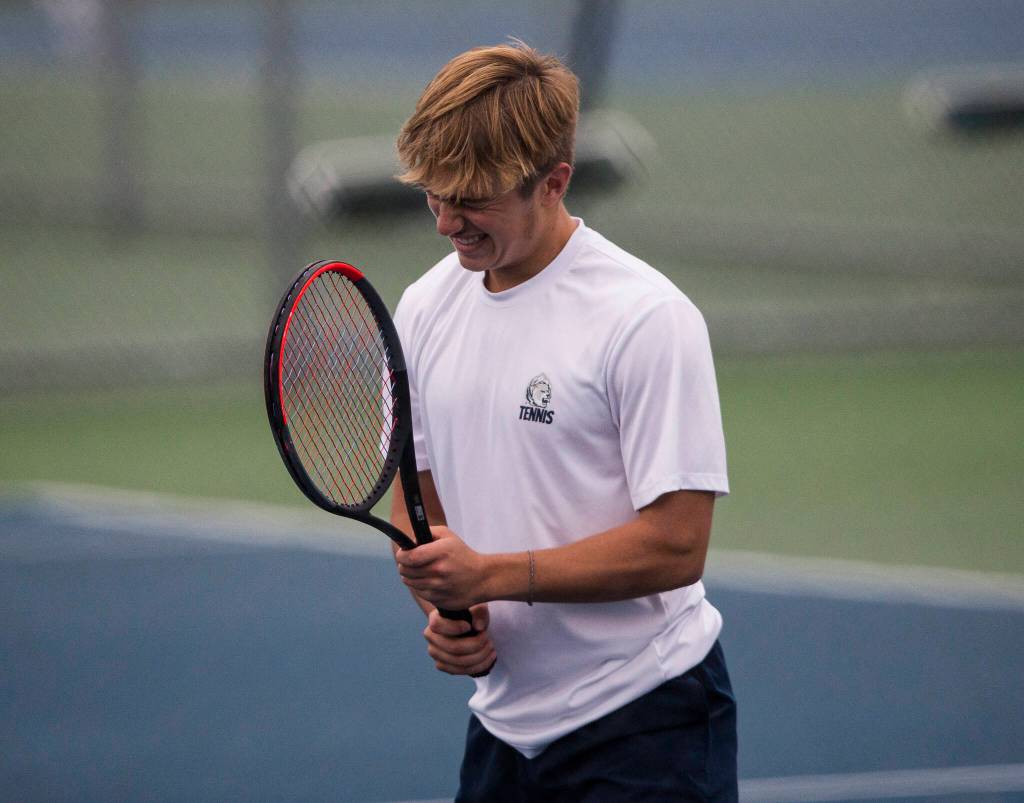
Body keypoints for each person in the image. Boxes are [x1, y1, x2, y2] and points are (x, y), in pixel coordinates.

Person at [389, 40, 737, 802]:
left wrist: (496, 574)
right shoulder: (422, 307)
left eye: (471, 198)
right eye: (434, 194)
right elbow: (420, 500)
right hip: (505, 731)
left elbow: (679, 543)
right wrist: (450, 609)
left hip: (647, 722)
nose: (447, 222)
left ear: (554, 182)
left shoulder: (646, 318)